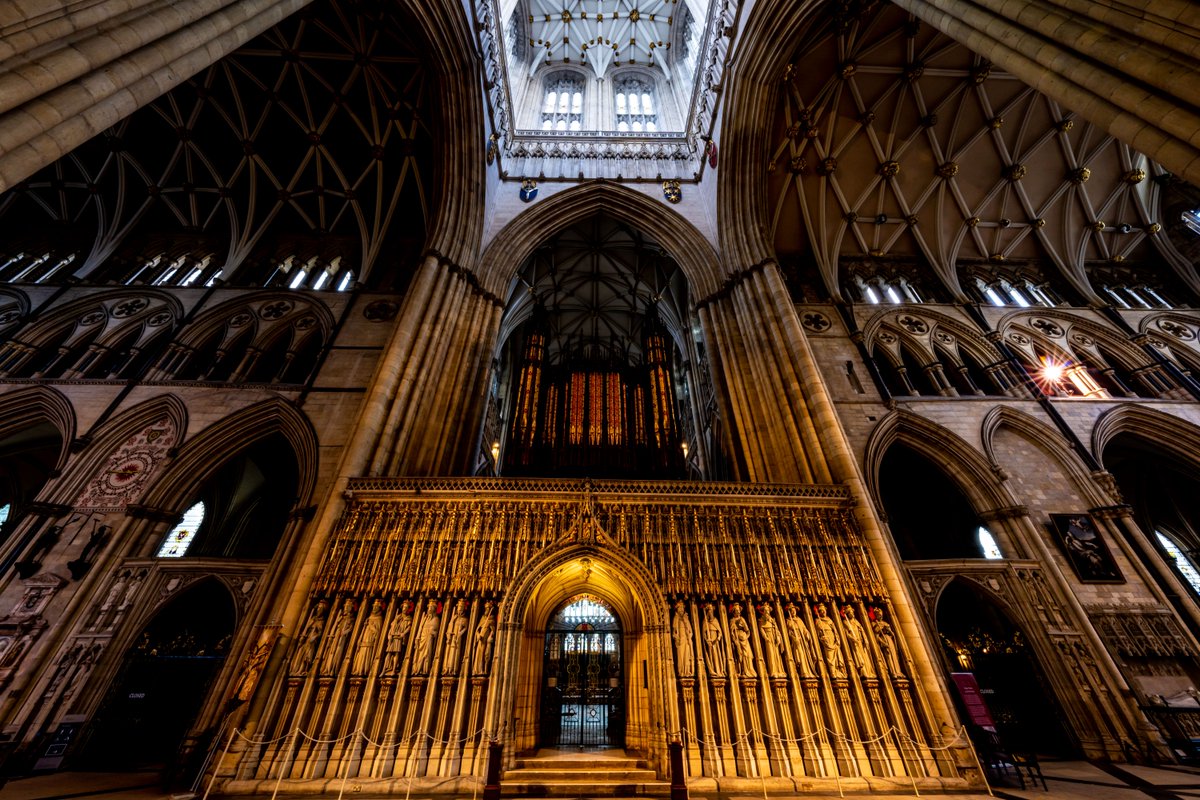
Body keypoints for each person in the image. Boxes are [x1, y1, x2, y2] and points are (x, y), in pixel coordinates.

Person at [319, 598, 356, 675]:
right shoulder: (340, 618)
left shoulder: (351, 619)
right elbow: (335, 627)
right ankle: (327, 669)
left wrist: (344, 632)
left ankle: (334, 669)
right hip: (336, 638)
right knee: (330, 652)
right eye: (345, 606)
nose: (346, 608)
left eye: (348, 606)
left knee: (338, 652)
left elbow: (350, 628)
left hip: (342, 639)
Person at [292, 600, 327, 675]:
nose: (318, 610)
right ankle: (298, 670)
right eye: (318, 608)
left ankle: (305, 669)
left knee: (307, 656)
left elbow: (320, 633)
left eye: (320, 609)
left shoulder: (321, 621)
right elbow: (306, 628)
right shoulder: (312, 619)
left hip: (312, 641)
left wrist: (314, 637)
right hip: (307, 639)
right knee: (300, 655)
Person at [841, 605, 876, 678]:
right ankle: (863, 671)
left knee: (865, 656)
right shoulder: (846, 622)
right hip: (854, 643)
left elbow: (862, 631)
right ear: (847, 614)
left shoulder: (856, 622)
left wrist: (864, 638)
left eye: (852, 612)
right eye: (850, 613)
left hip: (860, 641)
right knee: (858, 656)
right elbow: (846, 633)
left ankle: (868, 671)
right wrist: (852, 638)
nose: (852, 614)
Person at [352, 599, 384, 675]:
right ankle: (358, 670)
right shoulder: (369, 618)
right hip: (364, 640)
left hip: (370, 641)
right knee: (360, 656)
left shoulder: (379, 619)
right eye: (374, 606)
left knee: (367, 656)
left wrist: (370, 625)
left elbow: (377, 632)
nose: (374, 608)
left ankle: (364, 670)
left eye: (376, 607)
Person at [813, 603, 846, 678]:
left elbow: (835, 631)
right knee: (830, 657)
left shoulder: (829, 620)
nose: (823, 612)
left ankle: (839, 671)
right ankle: (832, 673)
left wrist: (837, 640)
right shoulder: (818, 621)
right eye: (821, 611)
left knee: (838, 657)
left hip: (833, 639)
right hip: (826, 640)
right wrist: (822, 638)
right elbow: (818, 632)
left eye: (824, 610)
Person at [382, 600, 413, 674]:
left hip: (399, 637)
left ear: (408, 609)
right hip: (393, 636)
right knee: (389, 653)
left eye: (406, 607)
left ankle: (394, 670)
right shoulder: (397, 617)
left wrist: (403, 633)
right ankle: (384, 669)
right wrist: (389, 634)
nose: (404, 609)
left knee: (396, 653)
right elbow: (392, 626)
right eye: (403, 607)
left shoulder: (408, 618)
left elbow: (409, 627)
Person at [785, 604, 817, 676]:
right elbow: (788, 632)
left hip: (803, 640)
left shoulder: (799, 620)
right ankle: (803, 671)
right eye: (791, 611)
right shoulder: (788, 621)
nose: (793, 612)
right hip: (796, 641)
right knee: (800, 654)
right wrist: (794, 638)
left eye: (794, 611)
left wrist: (807, 634)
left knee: (806, 655)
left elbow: (804, 629)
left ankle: (809, 671)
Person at [871, 608, 903, 677]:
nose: (880, 616)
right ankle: (893, 672)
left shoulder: (885, 623)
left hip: (889, 639)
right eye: (878, 615)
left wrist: (889, 630)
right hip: (883, 640)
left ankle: (898, 671)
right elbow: (876, 636)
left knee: (893, 655)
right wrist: (882, 642)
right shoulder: (874, 623)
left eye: (880, 615)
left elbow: (892, 635)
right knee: (888, 655)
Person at [757, 605, 786, 677]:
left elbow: (776, 629)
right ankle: (773, 671)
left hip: (774, 636)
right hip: (768, 636)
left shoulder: (772, 620)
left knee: (777, 654)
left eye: (768, 611)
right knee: (771, 653)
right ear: (763, 612)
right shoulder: (761, 620)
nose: (767, 612)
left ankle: (779, 670)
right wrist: (765, 637)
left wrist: (778, 637)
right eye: (766, 611)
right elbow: (761, 629)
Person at [412, 599, 440, 675]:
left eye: (431, 608)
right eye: (429, 607)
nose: (429, 609)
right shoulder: (424, 619)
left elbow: (435, 632)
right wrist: (418, 637)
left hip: (429, 639)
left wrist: (431, 632)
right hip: (422, 638)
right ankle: (417, 669)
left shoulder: (436, 619)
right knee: (418, 654)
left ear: (434, 609)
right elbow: (420, 628)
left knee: (427, 654)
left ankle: (424, 669)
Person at [442, 599, 470, 675]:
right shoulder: (454, 618)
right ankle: (446, 668)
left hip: (458, 638)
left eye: (462, 607)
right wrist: (448, 635)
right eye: (459, 606)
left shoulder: (464, 619)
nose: (460, 608)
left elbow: (466, 628)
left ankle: (453, 669)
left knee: (455, 653)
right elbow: (449, 626)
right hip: (451, 638)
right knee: (448, 653)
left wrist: (460, 634)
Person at [729, 603, 757, 677]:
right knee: (739, 655)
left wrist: (745, 638)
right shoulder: (732, 620)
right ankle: (742, 671)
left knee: (747, 654)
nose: (738, 612)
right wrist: (734, 640)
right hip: (737, 640)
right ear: (734, 612)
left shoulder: (742, 619)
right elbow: (731, 632)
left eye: (739, 610)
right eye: (736, 611)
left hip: (744, 639)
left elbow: (747, 631)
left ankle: (748, 670)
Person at [472, 601, 496, 674]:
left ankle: (482, 669)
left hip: (486, 640)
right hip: (480, 638)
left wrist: (490, 637)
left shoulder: (491, 620)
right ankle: (476, 669)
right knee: (478, 653)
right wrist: (478, 634)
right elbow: (477, 629)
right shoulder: (483, 618)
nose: (486, 610)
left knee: (484, 653)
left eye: (488, 609)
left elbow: (493, 631)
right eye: (486, 609)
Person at [702, 602, 726, 676]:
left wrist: (718, 638)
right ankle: (712, 670)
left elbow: (720, 632)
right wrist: (707, 640)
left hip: (716, 641)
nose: (710, 612)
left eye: (711, 610)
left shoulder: (715, 620)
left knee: (717, 655)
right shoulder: (705, 622)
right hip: (710, 641)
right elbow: (703, 633)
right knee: (711, 656)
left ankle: (720, 671)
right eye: (708, 610)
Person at [672, 600, 695, 677]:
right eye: (680, 608)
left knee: (687, 656)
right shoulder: (676, 619)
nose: (681, 609)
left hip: (686, 641)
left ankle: (688, 671)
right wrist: (676, 638)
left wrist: (689, 636)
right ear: (677, 609)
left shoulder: (686, 619)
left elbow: (691, 631)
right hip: (680, 642)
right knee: (681, 657)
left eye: (682, 608)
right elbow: (674, 632)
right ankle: (682, 672)